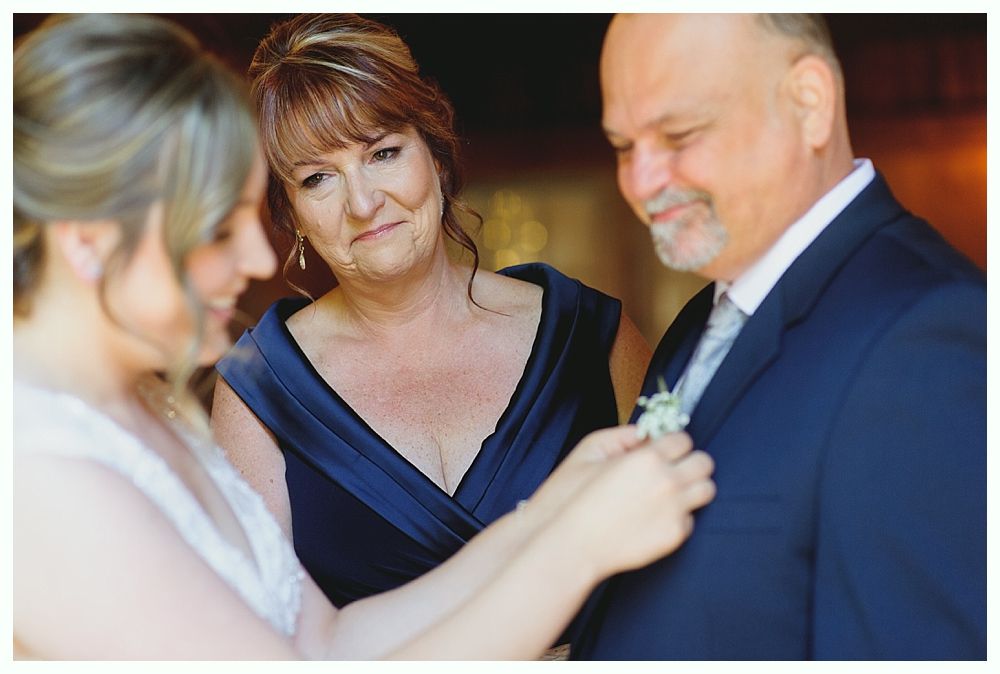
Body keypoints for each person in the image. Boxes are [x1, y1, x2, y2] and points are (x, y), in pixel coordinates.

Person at [12, 13, 716, 660]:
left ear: (435, 153)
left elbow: (329, 645)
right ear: (88, 245)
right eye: (219, 230)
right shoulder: (41, 472)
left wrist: (550, 520)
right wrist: (575, 551)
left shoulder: (139, 426)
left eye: (382, 153)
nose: (257, 261)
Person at [210, 11, 651, 623]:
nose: (363, 204)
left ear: (436, 155)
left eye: (384, 153)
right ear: (292, 215)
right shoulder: (259, 390)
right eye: (317, 179)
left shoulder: (589, 338)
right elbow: (263, 639)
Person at [570, 13, 986, 660]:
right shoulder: (703, 318)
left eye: (679, 134)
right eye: (624, 147)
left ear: (809, 103)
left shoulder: (925, 334)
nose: (642, 182)